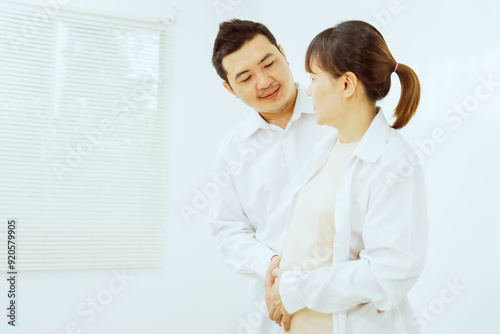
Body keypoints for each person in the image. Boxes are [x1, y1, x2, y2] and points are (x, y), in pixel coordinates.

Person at [268, 20, 428, 334]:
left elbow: (390, 272)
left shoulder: (394, 162)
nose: (309, 89)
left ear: (346, 85)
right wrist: (278, 269)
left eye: (314, 78)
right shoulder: (326, 150)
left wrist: (295, 289)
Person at [209, 19, 334, 334]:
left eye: (269, 63)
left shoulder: (338, 112)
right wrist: (271, 264)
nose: (264, 81)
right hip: (277, 305)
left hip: (347, 291)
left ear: (283, 54)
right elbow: (228, 229)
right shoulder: (233, 150)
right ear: (229, 89)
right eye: (246, 77)